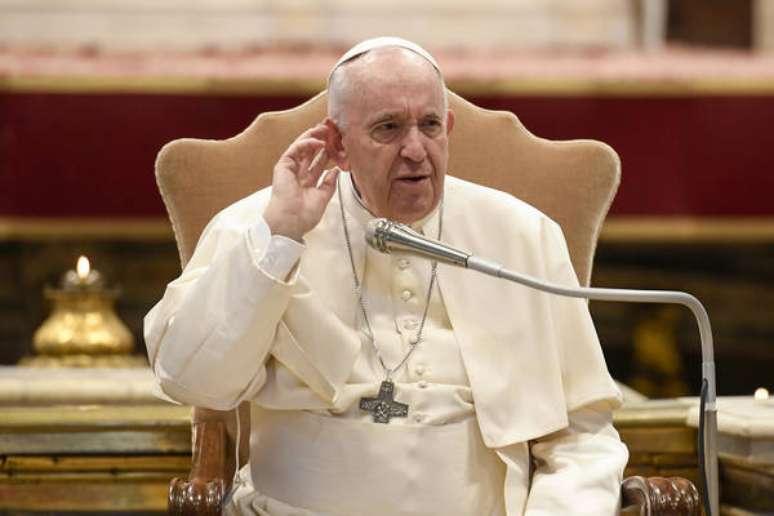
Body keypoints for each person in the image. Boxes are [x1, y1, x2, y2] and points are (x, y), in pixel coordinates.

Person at [145, 37, 629, 515]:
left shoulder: (523, 236)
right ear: (337, 143)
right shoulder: (260, 226)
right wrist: (279, 240)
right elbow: (193, 381)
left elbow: (583, 436)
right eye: (388, 128)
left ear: (449, 129)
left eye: (430, 125)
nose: (415, 149)